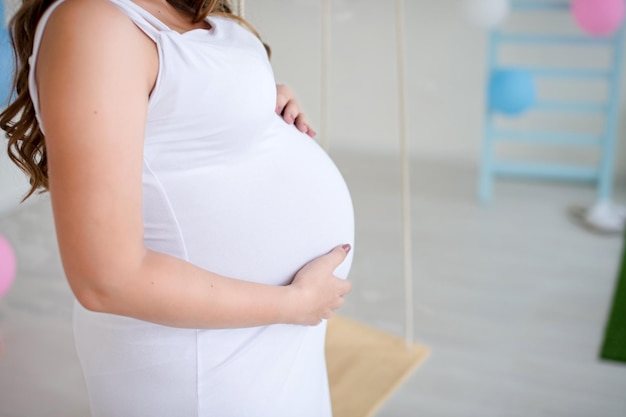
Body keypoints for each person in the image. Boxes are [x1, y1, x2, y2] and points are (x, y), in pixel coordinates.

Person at [0, 0, 355, 415]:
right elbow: (106, 279)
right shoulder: (92, 20)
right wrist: (293, 305)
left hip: (260, 340)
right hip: (201, 365)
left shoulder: (182, 7)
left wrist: (254, 102)